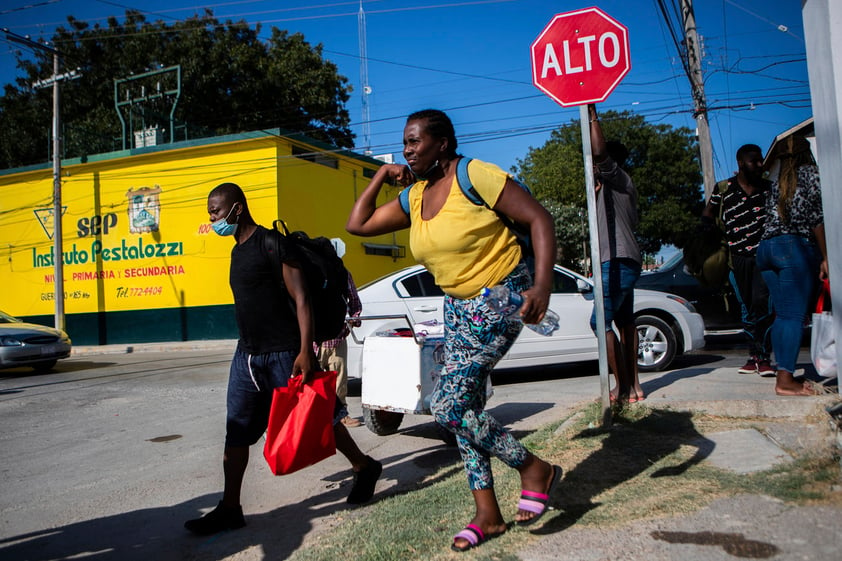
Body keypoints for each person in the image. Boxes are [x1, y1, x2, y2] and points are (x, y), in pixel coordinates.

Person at [346, 109, 562, 552]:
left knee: (446, 406)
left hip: (502, 295)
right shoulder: (416, 195)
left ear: (442, 143)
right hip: (458, 307)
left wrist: (542, 285)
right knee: (467, 407)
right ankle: (488, 513)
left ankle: (533, 468)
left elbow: (540, 219)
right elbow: (357, 225)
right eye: (404, 144)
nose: (407, 150)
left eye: (413, 142)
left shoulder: (474, 174)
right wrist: (382, 174)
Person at [184, 183, 382, 536]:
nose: (212, 219)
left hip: (285, 353)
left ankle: (363, 466)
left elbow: (302, 298)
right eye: (210, 213)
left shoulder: (273, 244)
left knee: (319, 420)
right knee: (237, 432)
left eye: (215, 212)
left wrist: (306, 351)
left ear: (237, 209)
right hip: (247, 356)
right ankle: (231, 507)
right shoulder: (236, 251)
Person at [756, 136, 828, 396]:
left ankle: (782, 371)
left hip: (766, 249)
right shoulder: (809, 173)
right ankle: (785, 380)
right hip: (793, 247)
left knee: (783, 315)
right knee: (794, 316)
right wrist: (826, 255)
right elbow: (817, 217)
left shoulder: (776, 178)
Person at [587, 104, 644, 403]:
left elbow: (599, 153)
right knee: (625, 322)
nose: (595, 166)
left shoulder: (619, 181)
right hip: (622, 260)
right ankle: (633, 387)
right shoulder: (608, 191)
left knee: (599, 323)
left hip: (617, 262)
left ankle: (622, 388)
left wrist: (592, 113)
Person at [702, 144, 773, 376]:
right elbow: (708, 214)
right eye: (755, 161)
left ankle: (764, 358)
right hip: (736, 258)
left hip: (763, 257)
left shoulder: (768, 189)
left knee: (763, 305)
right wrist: (710, 234)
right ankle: (753, 356)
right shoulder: (724, 189)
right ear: (741, 163)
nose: (760, 165)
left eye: (761, 160)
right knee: (747, 307)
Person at [316, 271, 363, 427]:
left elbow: (354, 298)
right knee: (311, 381)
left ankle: (340, 415)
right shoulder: (307, 270)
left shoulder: (341, 273)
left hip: (338, 336)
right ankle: (312, 415)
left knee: (339, 379)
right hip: (313, 340)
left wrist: (354, 318)